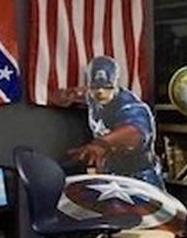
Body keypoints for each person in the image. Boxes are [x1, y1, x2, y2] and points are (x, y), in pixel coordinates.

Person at [52, 56, 164, 188]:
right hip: (112, 176)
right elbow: (64, 96)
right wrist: (68, 95)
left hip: (140, 178)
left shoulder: (132, 106)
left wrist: (102, 144)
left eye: (107, 87)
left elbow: (135, 132)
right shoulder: (92, 96)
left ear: (116, 84)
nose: (100, 92)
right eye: (95, 87)